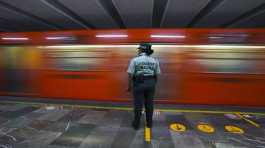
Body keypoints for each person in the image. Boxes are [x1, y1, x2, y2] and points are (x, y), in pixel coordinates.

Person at [127, 43, 161, 130]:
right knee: (149, 105)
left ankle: (136, 124)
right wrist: (153, 84)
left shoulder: (135, 60)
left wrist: (129, 86)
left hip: (139, 83)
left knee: (138, 105)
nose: (138, 50)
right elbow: (157, 74)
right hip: (151, 83)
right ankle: (149, 123)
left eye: (139, 49)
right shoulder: (155, 60)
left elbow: (130, 74)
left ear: (142, 50)